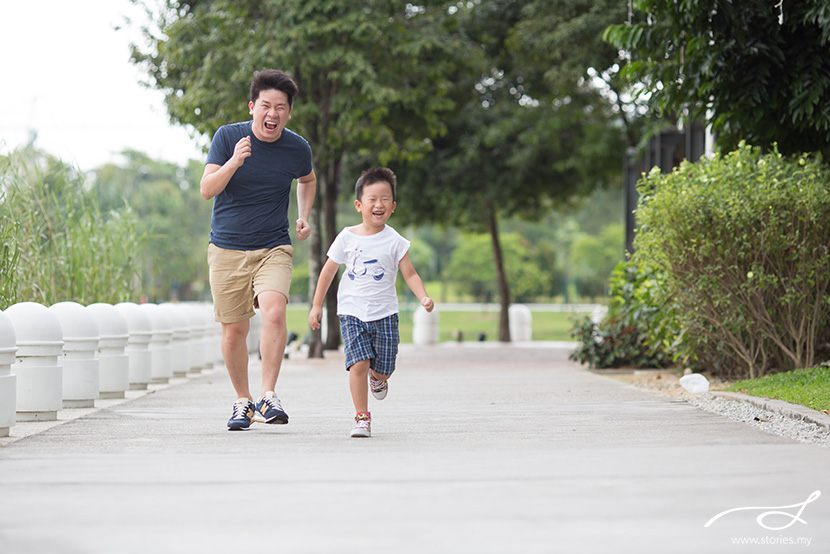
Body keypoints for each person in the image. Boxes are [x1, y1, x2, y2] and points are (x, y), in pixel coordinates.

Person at [201, 69, 316, 431]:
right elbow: (207, 189)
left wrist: (304, 215)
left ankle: (269, 394)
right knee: (234, 331)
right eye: (265, 105)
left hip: (273, 246)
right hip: (227, 248)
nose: (273, 114)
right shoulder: (227, 137)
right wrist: (235, 161)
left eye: (280, 107)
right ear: (252, 107)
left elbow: (307, 179)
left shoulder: (297, 148)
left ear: (289, 112)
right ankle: (243, 401)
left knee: (275, 311)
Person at [308, 167, 434, 438]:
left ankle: (379, 379)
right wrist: (317, 305)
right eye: (372, 199)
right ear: (359, 205)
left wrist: (422, 295)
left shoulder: (396, 241)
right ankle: (362, 418)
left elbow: (409, 273)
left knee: (384, 367)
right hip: (352, 311)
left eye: (385, 199)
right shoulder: (347, 237)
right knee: (358, 363)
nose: (379, 204)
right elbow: (328, 270)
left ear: (393, 206)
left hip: (385, 313)